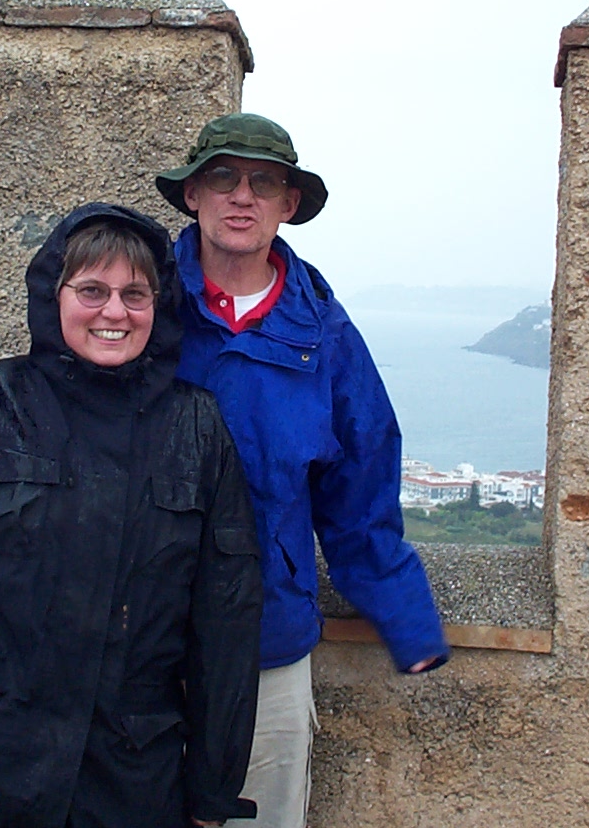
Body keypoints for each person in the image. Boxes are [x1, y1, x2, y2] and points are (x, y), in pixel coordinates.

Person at [0, 203, 263, 828]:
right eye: (92, 290)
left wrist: (214, 788)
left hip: (129, 777)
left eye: (135, 294)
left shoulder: (198, 429)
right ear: (54, 296)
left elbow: (226, 620)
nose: (114, 312)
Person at [155, 113, 449, 828]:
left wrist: (409, 623)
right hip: (141, 634)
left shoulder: (326, 335)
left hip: (267, 639)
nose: (242, 196)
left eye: (264, 182)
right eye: (222, 176)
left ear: (289, 204)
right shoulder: (142, 301)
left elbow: (361, 487)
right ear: (192, 194)